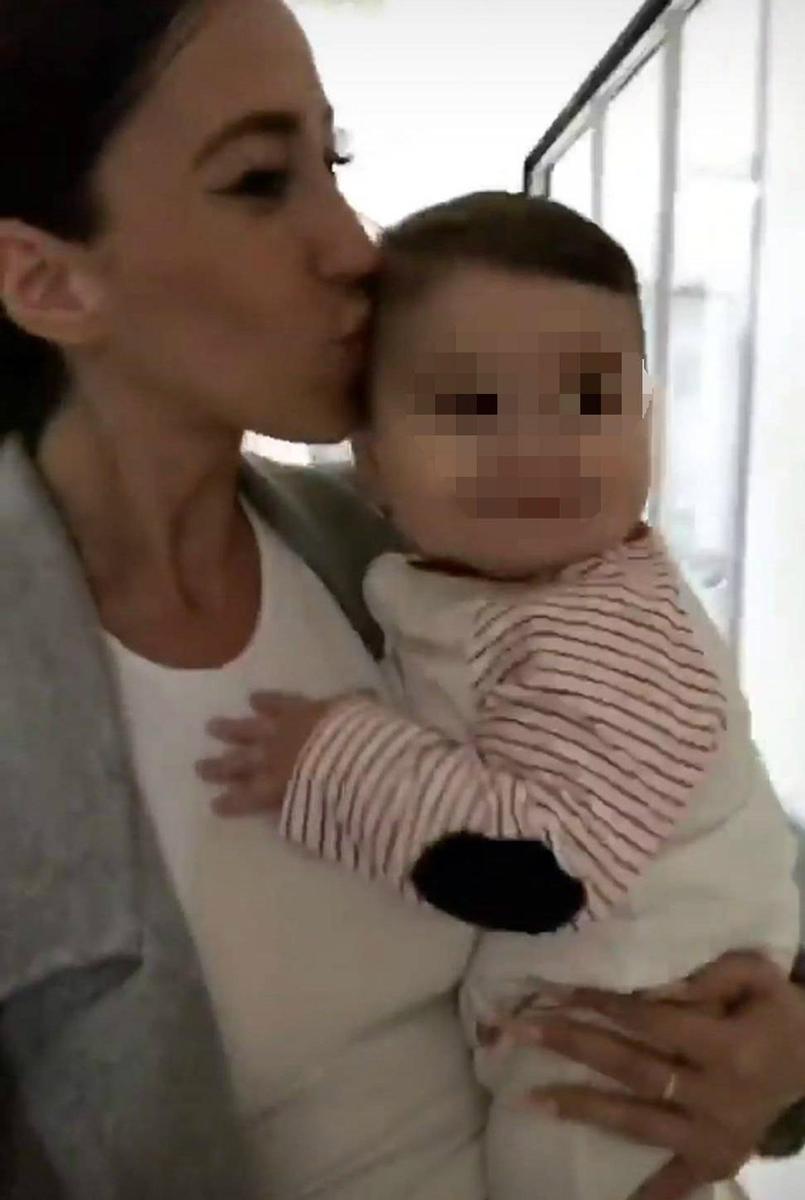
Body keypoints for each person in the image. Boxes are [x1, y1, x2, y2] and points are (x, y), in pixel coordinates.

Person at [0, 1, 804, 1197]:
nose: (356, 246)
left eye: (335, 161)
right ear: (48, 279)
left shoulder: (406, 553)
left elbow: (711, 832)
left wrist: (782, 1048)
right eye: (261, 181)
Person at [197, 192, 801, 1200]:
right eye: (474, 406)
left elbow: (541, 869)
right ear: (371, 459)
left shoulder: (603, 627)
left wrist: (336, 761)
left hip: (637, 1028)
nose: (539, 447)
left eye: (592, 400)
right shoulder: (464, 579)